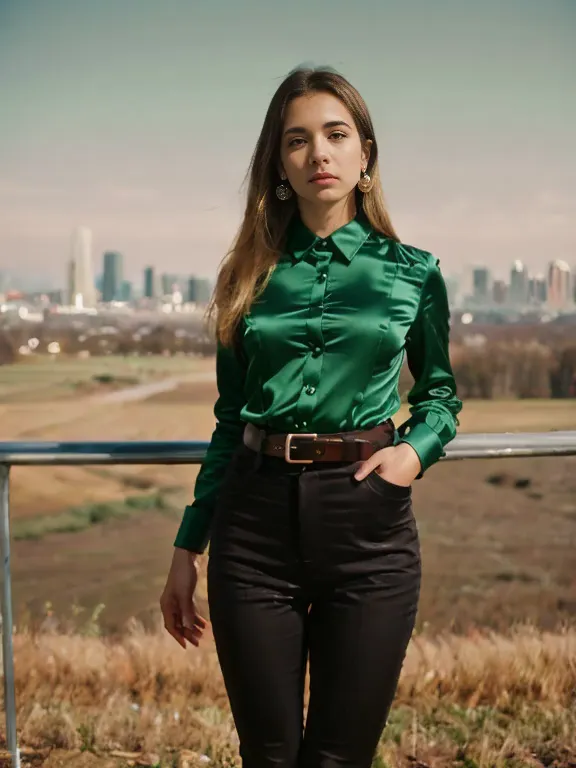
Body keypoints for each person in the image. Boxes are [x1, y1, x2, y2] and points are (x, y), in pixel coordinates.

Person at [160, 66, 463, 768]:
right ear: (279, 165)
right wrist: (187, 546)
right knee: (267, 754)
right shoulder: (246, 276)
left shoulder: (414, 272)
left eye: (335, 135)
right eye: (296, 141)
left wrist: (413, 452)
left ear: (365, 156)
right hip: (253, 526)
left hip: (368, 527)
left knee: (339, 756)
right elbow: (230, 420)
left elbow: (442, 394)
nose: (317, 154)